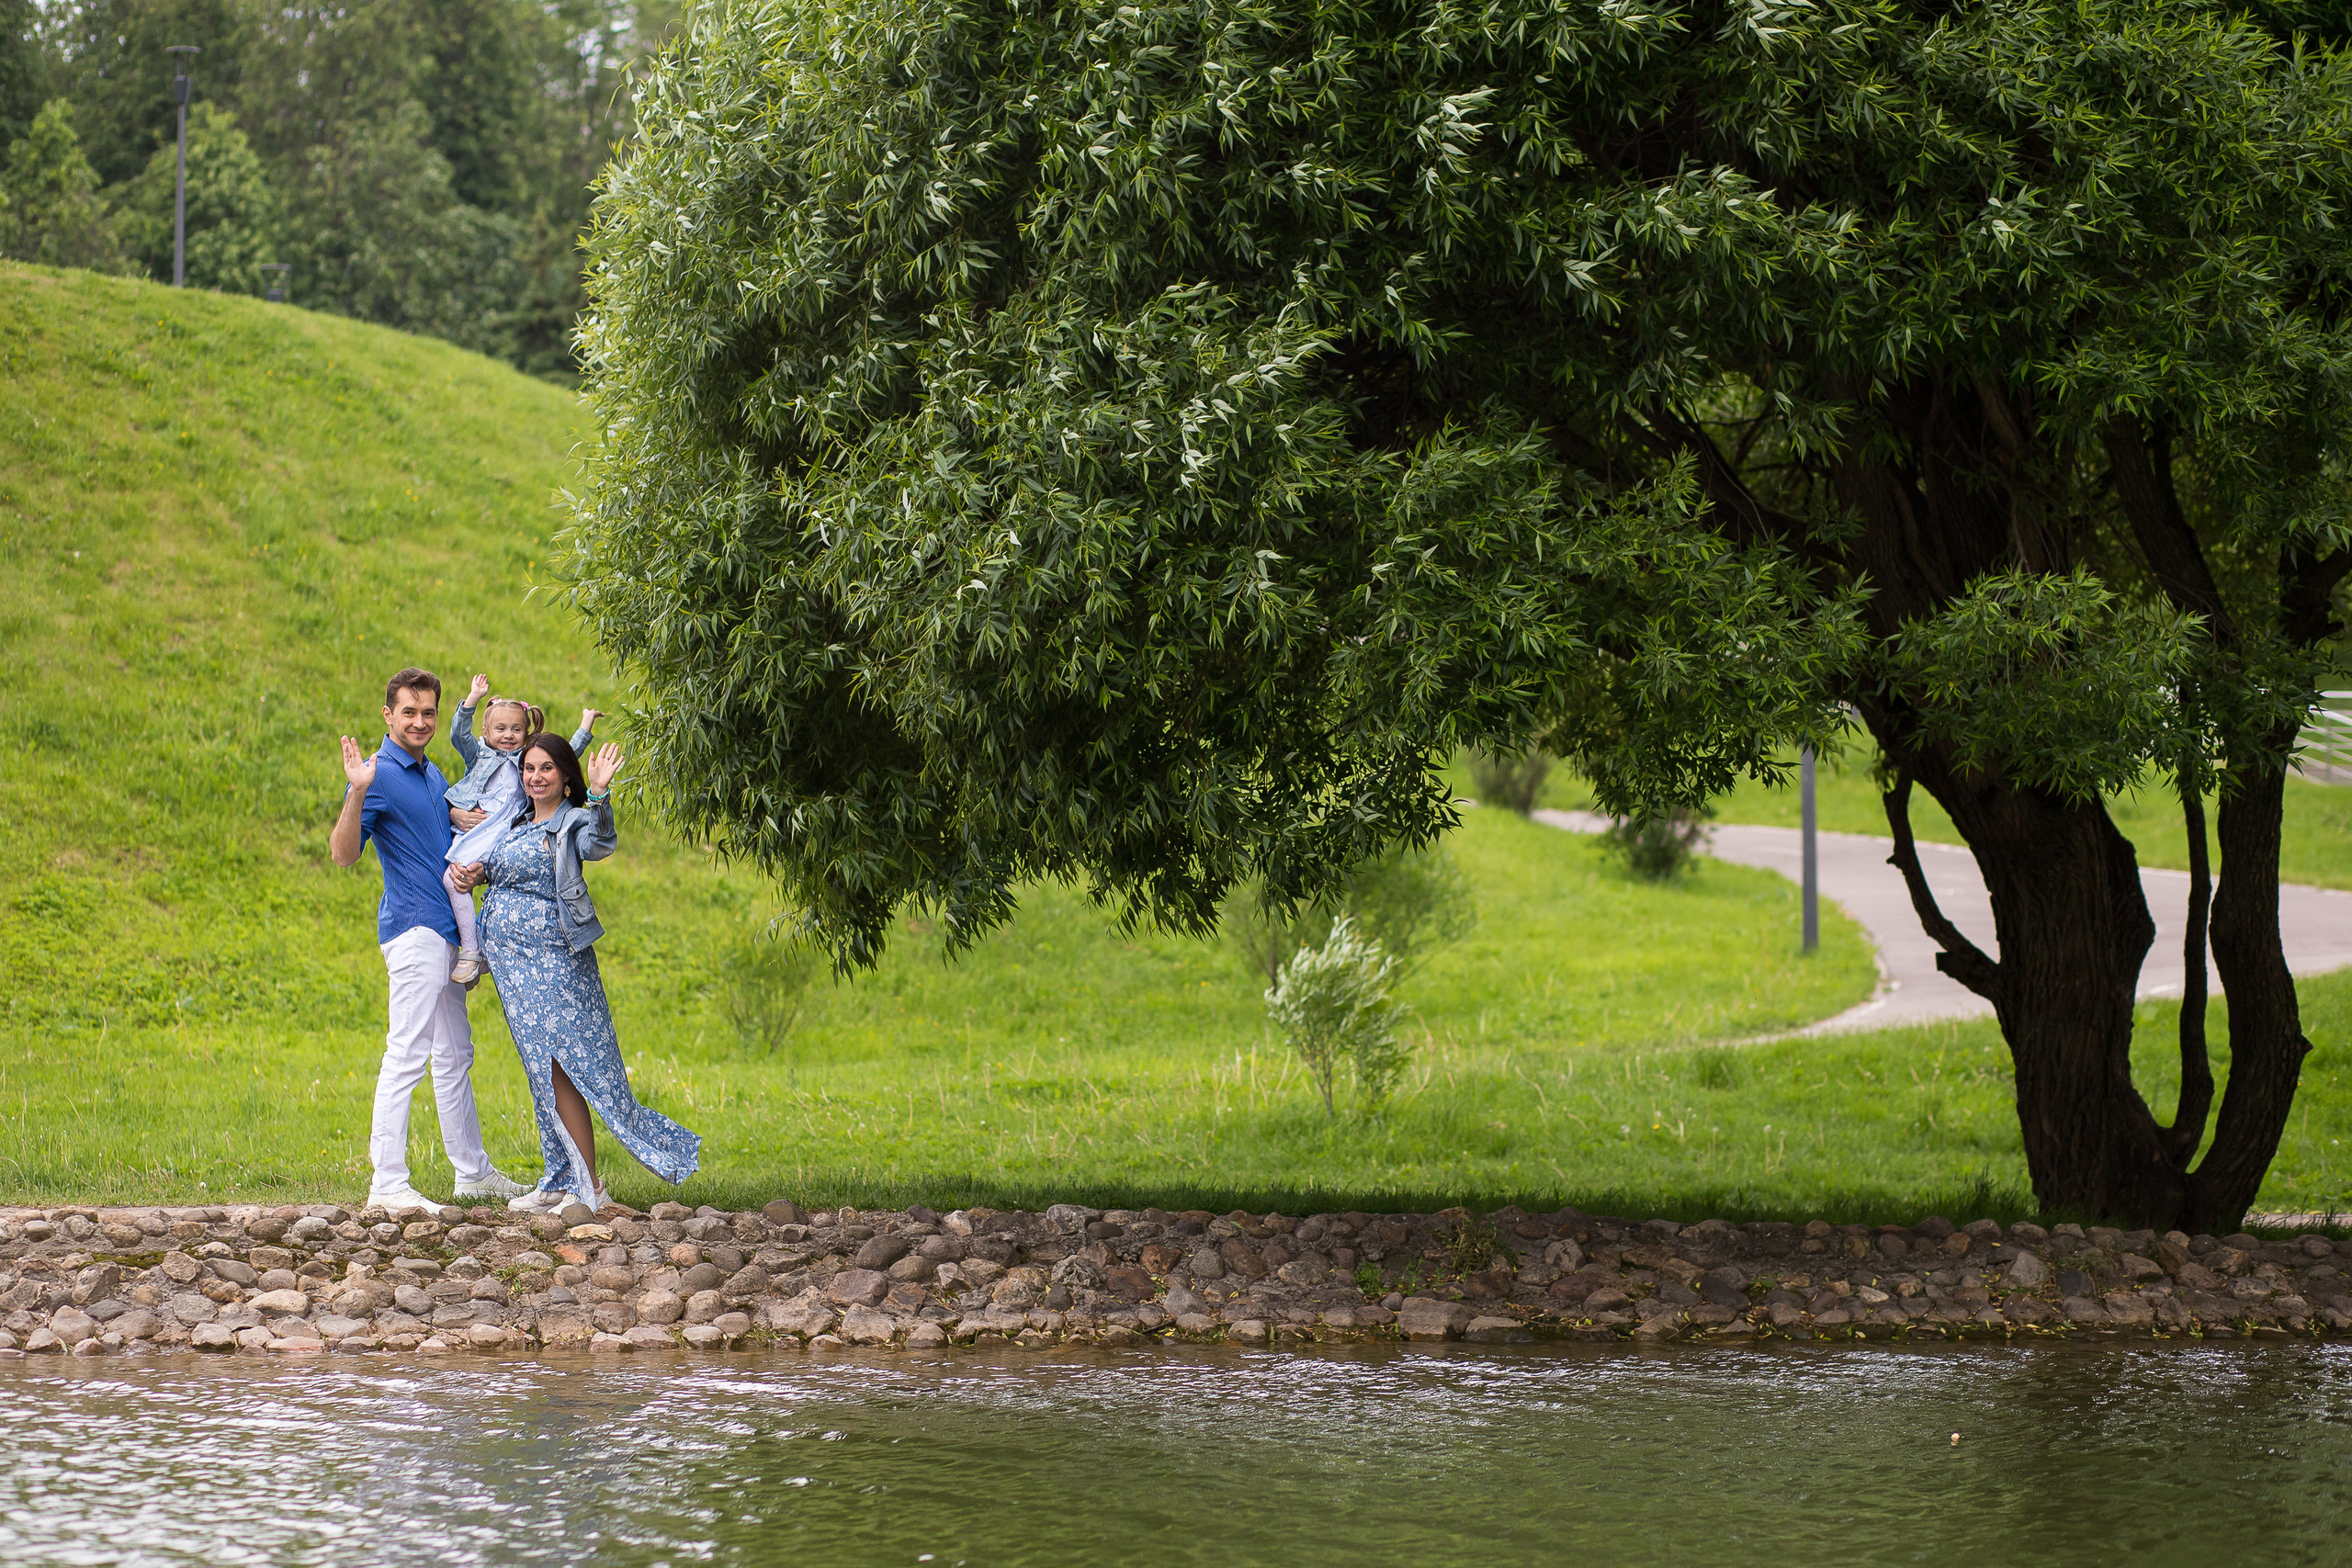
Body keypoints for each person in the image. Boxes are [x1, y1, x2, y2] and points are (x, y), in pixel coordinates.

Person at [452, 732, 699, 1213]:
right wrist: (479, 873)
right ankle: (559, 1180)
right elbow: (505, 867)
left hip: (555, 964)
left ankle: (591, 1190)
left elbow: (599, 842)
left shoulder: (574, 822)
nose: (535, 777)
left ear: (566, 777)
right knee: (537, 1068)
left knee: (565, 1065)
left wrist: (602, 794)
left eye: (546, 768)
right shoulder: (516, 822)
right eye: (528, 768)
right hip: (513, 968)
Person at [331, 667, 531, 1213]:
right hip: (415, 930)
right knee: (408, 1052)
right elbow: (344, 854)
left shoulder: (431, 773)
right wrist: (356, 790)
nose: (419, 722)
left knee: (454, 1055)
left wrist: (462, 818)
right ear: (388, 715)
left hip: (446, 930)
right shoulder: (379, 774)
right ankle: (387, 1183)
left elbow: (449, 834)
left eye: (428, 713)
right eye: (408, 712)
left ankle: (471, 1174)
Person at [441, 672, 601, 987]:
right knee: (454, 880)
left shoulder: (526, 761)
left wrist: (585, 726)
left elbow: (565, 756)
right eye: (500, 729)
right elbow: (459, 734)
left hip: (506, 835)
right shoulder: (479, 755)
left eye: (516, 729)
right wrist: (473, 698)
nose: (508, 735)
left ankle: (474, 951)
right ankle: (474, 949)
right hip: (481, 831)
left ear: (526, 734)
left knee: (462, 881)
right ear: (485, 732)